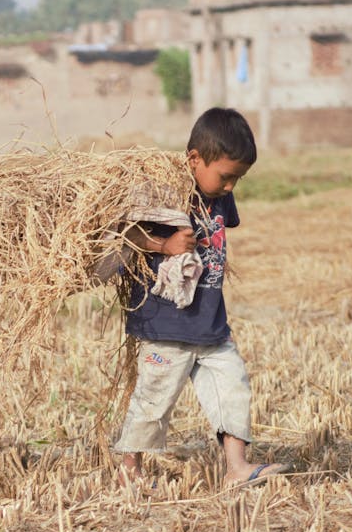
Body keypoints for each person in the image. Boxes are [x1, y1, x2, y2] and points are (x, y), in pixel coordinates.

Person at [114, 107, 288, 487]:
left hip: (211, 323)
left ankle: (237, 467)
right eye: (225, 177)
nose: (230, 188)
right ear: (194, 159)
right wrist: (165, 243)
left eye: (237, 180)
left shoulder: (221, 198)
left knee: (233, 389)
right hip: (165, 323)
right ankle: (130, 470)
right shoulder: (163, 190)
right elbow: (123, 235)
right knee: (153, 399)